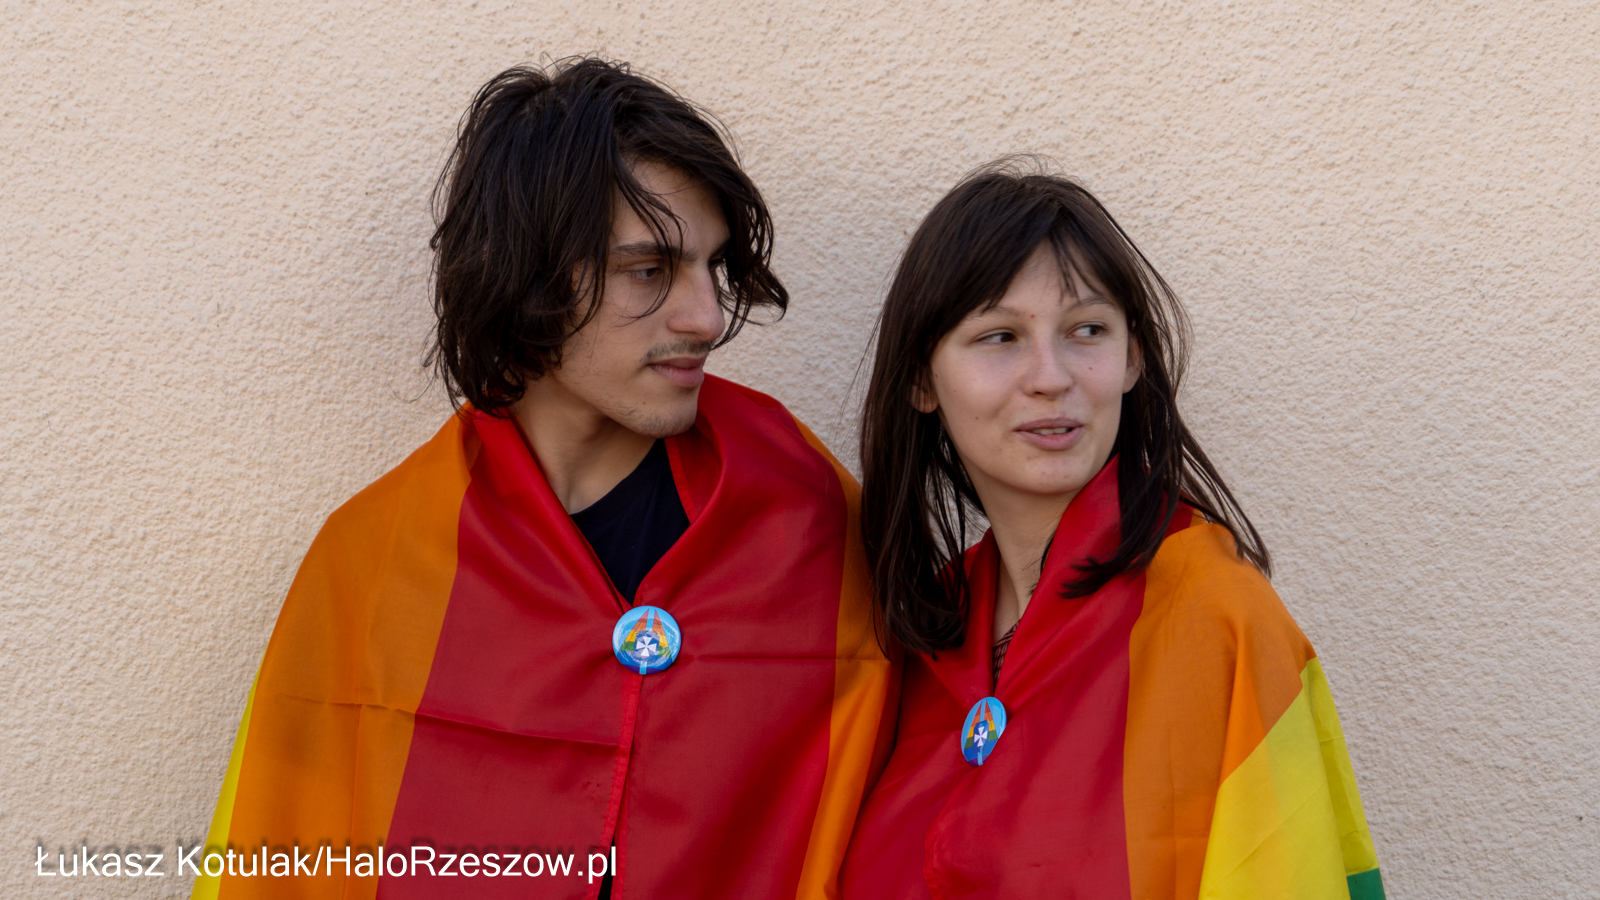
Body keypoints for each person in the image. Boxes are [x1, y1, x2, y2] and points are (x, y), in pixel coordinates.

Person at [193, 58, 894, 900]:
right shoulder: (374, 563)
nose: (707, 317)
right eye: (649, 269)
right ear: (527, 276)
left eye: (712, 267)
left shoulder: (807, 514)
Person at [839, 160, 1383, 899]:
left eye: (1086, 330)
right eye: (999, 336)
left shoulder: (1218, 616)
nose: (1050, 376)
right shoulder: (912, 637)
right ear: (920, 379)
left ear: (1132, 359)